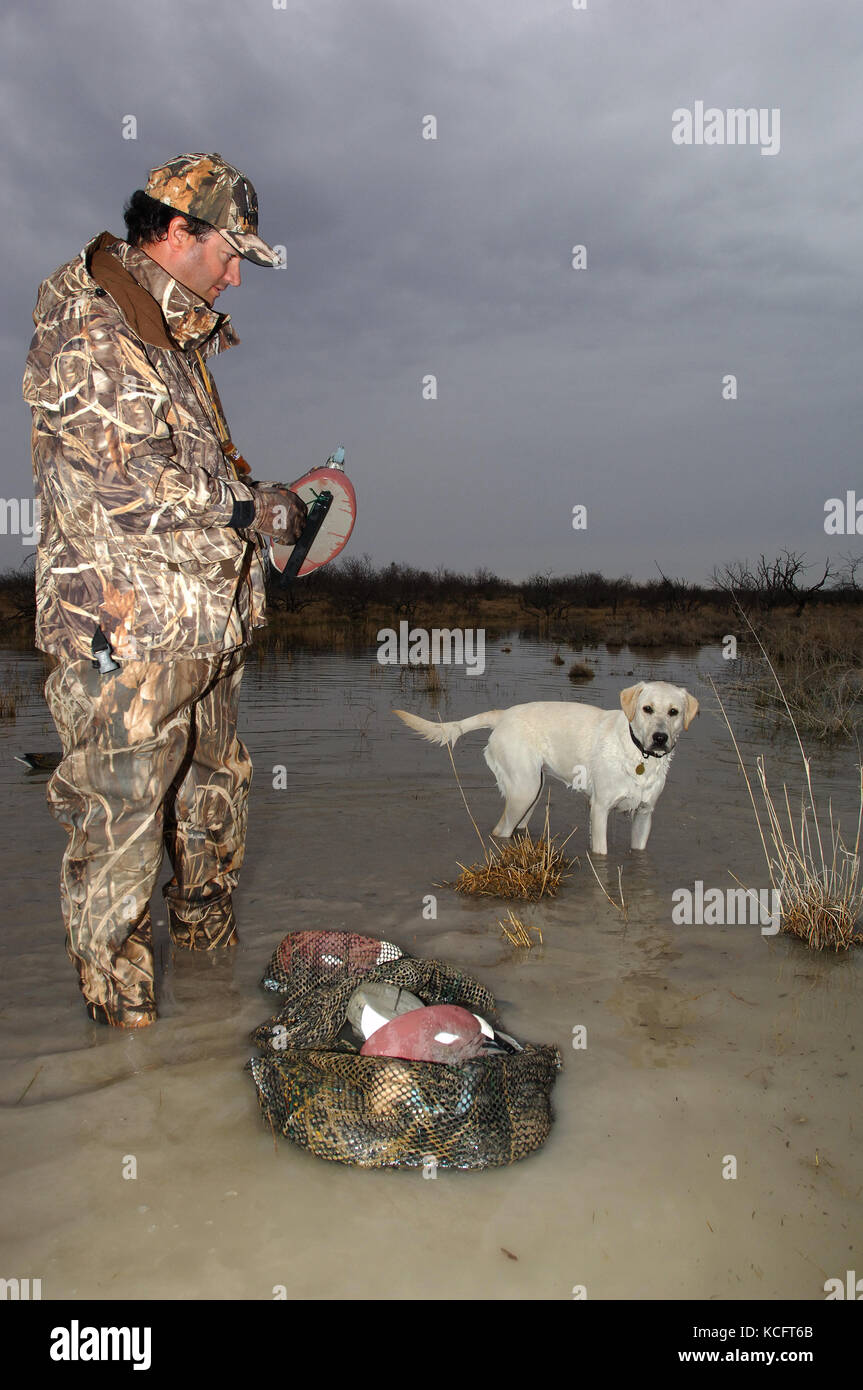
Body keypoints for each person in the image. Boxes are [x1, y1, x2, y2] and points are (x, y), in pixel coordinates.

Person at [22, 152, 307, 1029]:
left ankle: (214, 1026)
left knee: (215, 794)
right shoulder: (92, 325)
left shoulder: (170, 336)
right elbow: (126, 483)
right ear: (177, 229)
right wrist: (247, 504)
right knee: (118, 831)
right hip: (127, 643)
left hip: (201, 632)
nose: (235, 273)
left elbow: (192, 481)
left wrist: (256, 526)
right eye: (230, 252)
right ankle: (127, 1056)